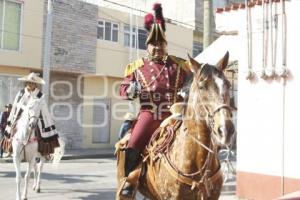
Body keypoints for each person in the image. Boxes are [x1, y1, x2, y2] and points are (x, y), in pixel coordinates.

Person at [119, 3, 191, 197]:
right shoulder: (137, 67)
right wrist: (132, 89)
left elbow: (192, 83)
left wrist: (186, 92)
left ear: (166, 45)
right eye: (154, 44)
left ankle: (205, 176)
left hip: (174, 117)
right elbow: (123, 89)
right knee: (133, 144)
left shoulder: (179, 66)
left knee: (197, 139)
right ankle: (129, 181)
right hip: (149, 116)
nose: (158, 47)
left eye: (161, 43)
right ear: (147, 46)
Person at [3, 72, 59, 156]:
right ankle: (10, 148)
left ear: (36, 85)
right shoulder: (21, 93)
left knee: (41, 130)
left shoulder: (40, 95)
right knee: (13, 127)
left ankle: (43, 150)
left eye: (32, 83)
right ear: (26, 83)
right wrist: (25, 108)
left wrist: (36, 110)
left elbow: (44, 108)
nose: (30, 84)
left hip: (35, 115)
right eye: (29, 82)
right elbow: (16, 105)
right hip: (22, 114)